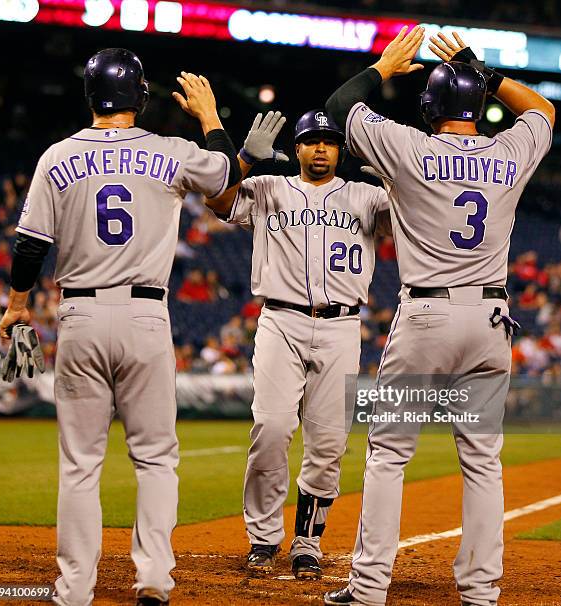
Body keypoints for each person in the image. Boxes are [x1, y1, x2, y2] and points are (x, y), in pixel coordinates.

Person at [0, 48, 241, 606]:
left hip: (80, 314)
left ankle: (75, 590)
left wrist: (16, 305)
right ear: (140, 98)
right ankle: (154, 579)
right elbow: (226, 172)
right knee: (156, 457)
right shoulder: (170, 152)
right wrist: (209, 117)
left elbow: (30, 244)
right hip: (144, 314)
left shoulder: (57, 156)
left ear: (90, 96)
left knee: (80, 463)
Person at [322, 26, 555, 606]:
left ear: (428, 108)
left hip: (426, 319)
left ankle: (369, 586)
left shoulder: (410, 148)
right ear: (478, 105)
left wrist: (383, 66)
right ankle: (480, 591)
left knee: (389, 454)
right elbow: (543, 109)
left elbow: (338, 108)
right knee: (481, 460)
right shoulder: (509, 151)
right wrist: (486, 74)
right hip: (489, 325)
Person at [207, 110, 391, 579]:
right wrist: (245, 159)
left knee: (327, 443)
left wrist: (398, 179)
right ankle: (263, 539)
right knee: (270, 429)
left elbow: (424, 214)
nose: (321, 148)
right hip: (280, 321)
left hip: (342, 327)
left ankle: (308, 541)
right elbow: (219, 200)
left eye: (330, 140)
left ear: (341, 149)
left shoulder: (367, 197)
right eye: (311, 140)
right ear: (298, 147)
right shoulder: (269, 188)